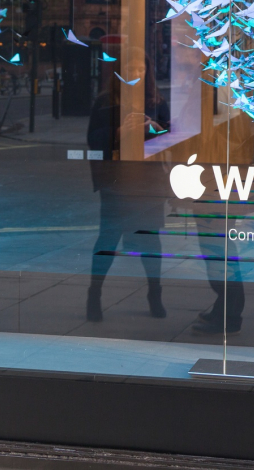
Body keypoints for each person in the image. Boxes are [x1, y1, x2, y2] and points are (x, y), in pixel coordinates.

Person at [85, 47, 170, 322]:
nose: (135, 74)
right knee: (108, 239)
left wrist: (151, 126)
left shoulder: (156, 101)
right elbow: (93, 140)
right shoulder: (105, 102)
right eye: (130, 69)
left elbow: (169, 134)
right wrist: (121, 131)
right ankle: (94, 295)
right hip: (116, 180)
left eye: (140, 69)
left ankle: (154, 293)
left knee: (150, 242)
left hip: (148, 182)